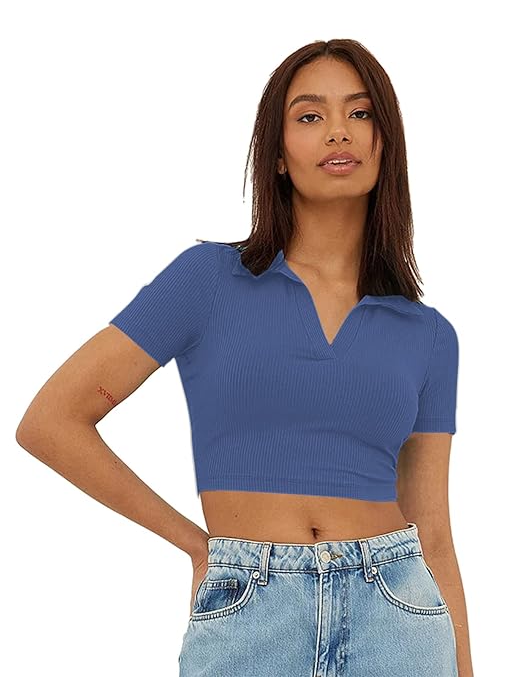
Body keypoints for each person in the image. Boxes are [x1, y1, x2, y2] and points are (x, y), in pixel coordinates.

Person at [15, 39, 473, 676]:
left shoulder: (428, 333)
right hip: (251, 610)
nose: (338, 131)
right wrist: (197, 546)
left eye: (360, 113)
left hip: (399, 614)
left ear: (384, 143)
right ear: (277, 155)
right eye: (309, 115)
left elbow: (434, 532)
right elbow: (50, 422)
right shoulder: (207, 281)